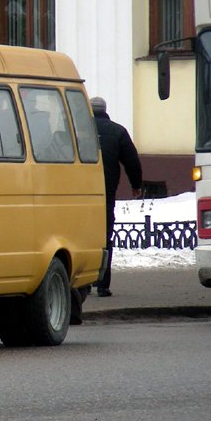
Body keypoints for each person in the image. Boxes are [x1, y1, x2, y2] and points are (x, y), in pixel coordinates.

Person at [91, 96, 143, 297]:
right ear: (105, 110)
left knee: (81, 235)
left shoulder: (76, 128)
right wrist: (136, 185)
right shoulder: (117, 131)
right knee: (105, 235)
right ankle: (103, 285)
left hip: (79, 193)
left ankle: (78, 282)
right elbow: (132, 160)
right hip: (105, 192)